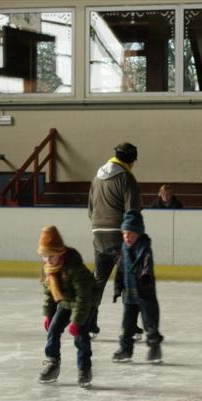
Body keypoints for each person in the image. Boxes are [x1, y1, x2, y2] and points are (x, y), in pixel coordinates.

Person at [87, 142, 142, 339]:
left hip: (98, 232)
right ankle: (130, 327)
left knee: (98, 279)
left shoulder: (97, 177)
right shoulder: (126, 177)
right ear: (131, 160)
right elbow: (132, 211)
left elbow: (90, 209)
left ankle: (88, 323)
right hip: (118, 234)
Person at [37, 226, 96, 388]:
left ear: (60, 253)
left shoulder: (75, 268)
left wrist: (77, 321)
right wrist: (48, 314)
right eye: (44, 256)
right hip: (66, 302)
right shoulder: (48, 269)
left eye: (52, 256)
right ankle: (53, 363)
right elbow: (49, 293)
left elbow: (83, 297)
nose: (48, 260)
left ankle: (84, 369)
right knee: (53, 330)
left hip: (85, 303)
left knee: (81, 336)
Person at [112, 210, 164, 364]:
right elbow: (120, 270)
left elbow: (147, 265)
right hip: (129, 294)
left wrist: (146, 277)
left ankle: (154, 349)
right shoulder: (124, 249)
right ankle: (125, 349)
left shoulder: (145, 249)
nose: (127, 237)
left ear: (139, 234)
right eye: (125, 234)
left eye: (131, 234)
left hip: (145, 292)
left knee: (150, 323)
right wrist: (118, 287)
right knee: (127, 324)